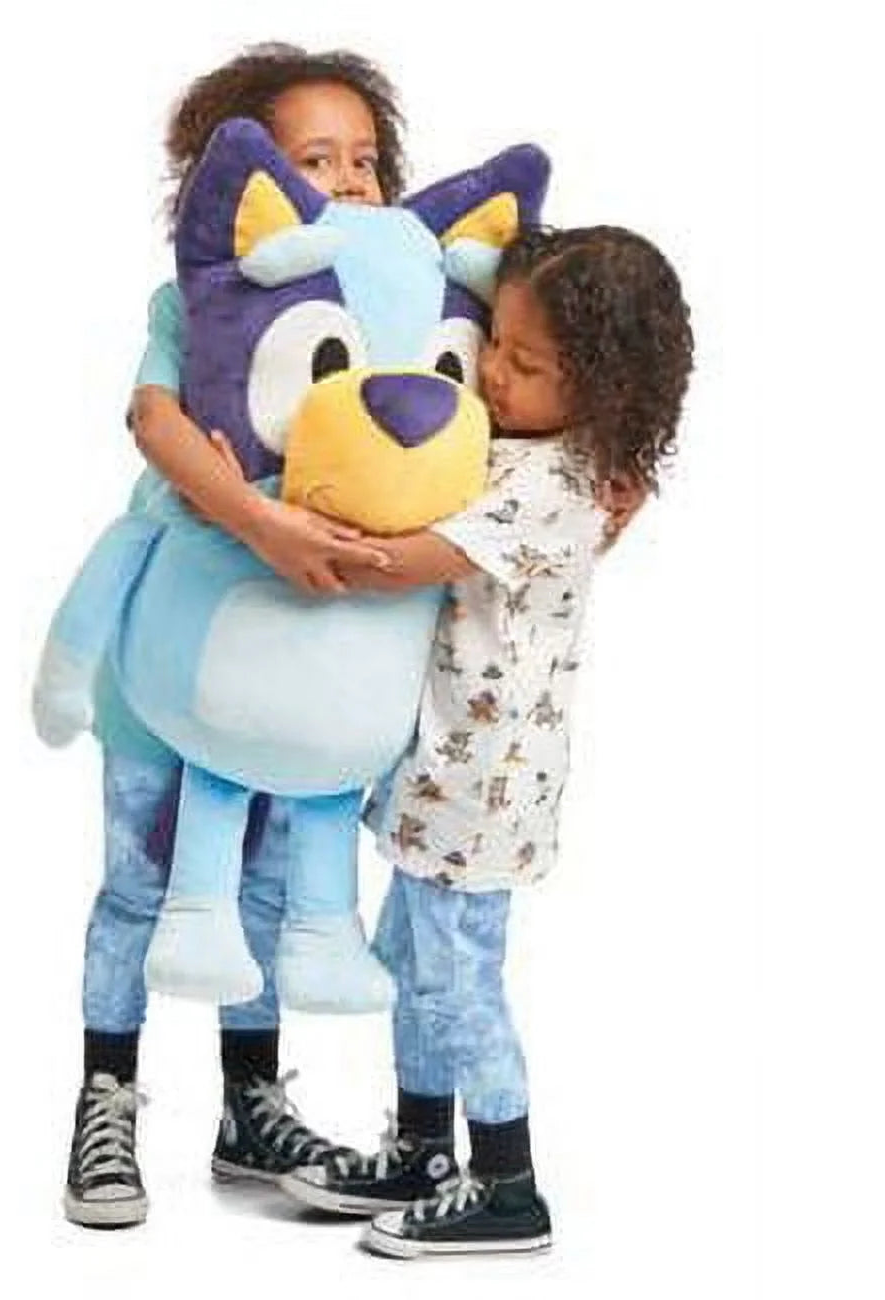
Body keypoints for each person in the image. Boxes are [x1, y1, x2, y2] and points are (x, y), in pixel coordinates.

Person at [273, 224, 695, 1258]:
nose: (495, 374)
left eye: (527, 363)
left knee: (460, 983)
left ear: (602, 385)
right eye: (493, 345)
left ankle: (507, 1182)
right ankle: (424, 1146)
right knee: (413, 961)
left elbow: (413, 559)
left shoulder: (553, 485)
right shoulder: (533, 454)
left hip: (480, 787)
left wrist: (300, 535)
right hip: (440, 776)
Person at [64, 43, 409, 1229]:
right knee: (140, 878)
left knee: (265, 880)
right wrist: (257, 518)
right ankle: (106, 1097)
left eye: (365, 159)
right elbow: (153, 417)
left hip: (299, 664)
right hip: (171, 654)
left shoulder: (385, 304)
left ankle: (249, 1102)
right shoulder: (197, 300)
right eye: (317, 159)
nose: (350, 180)